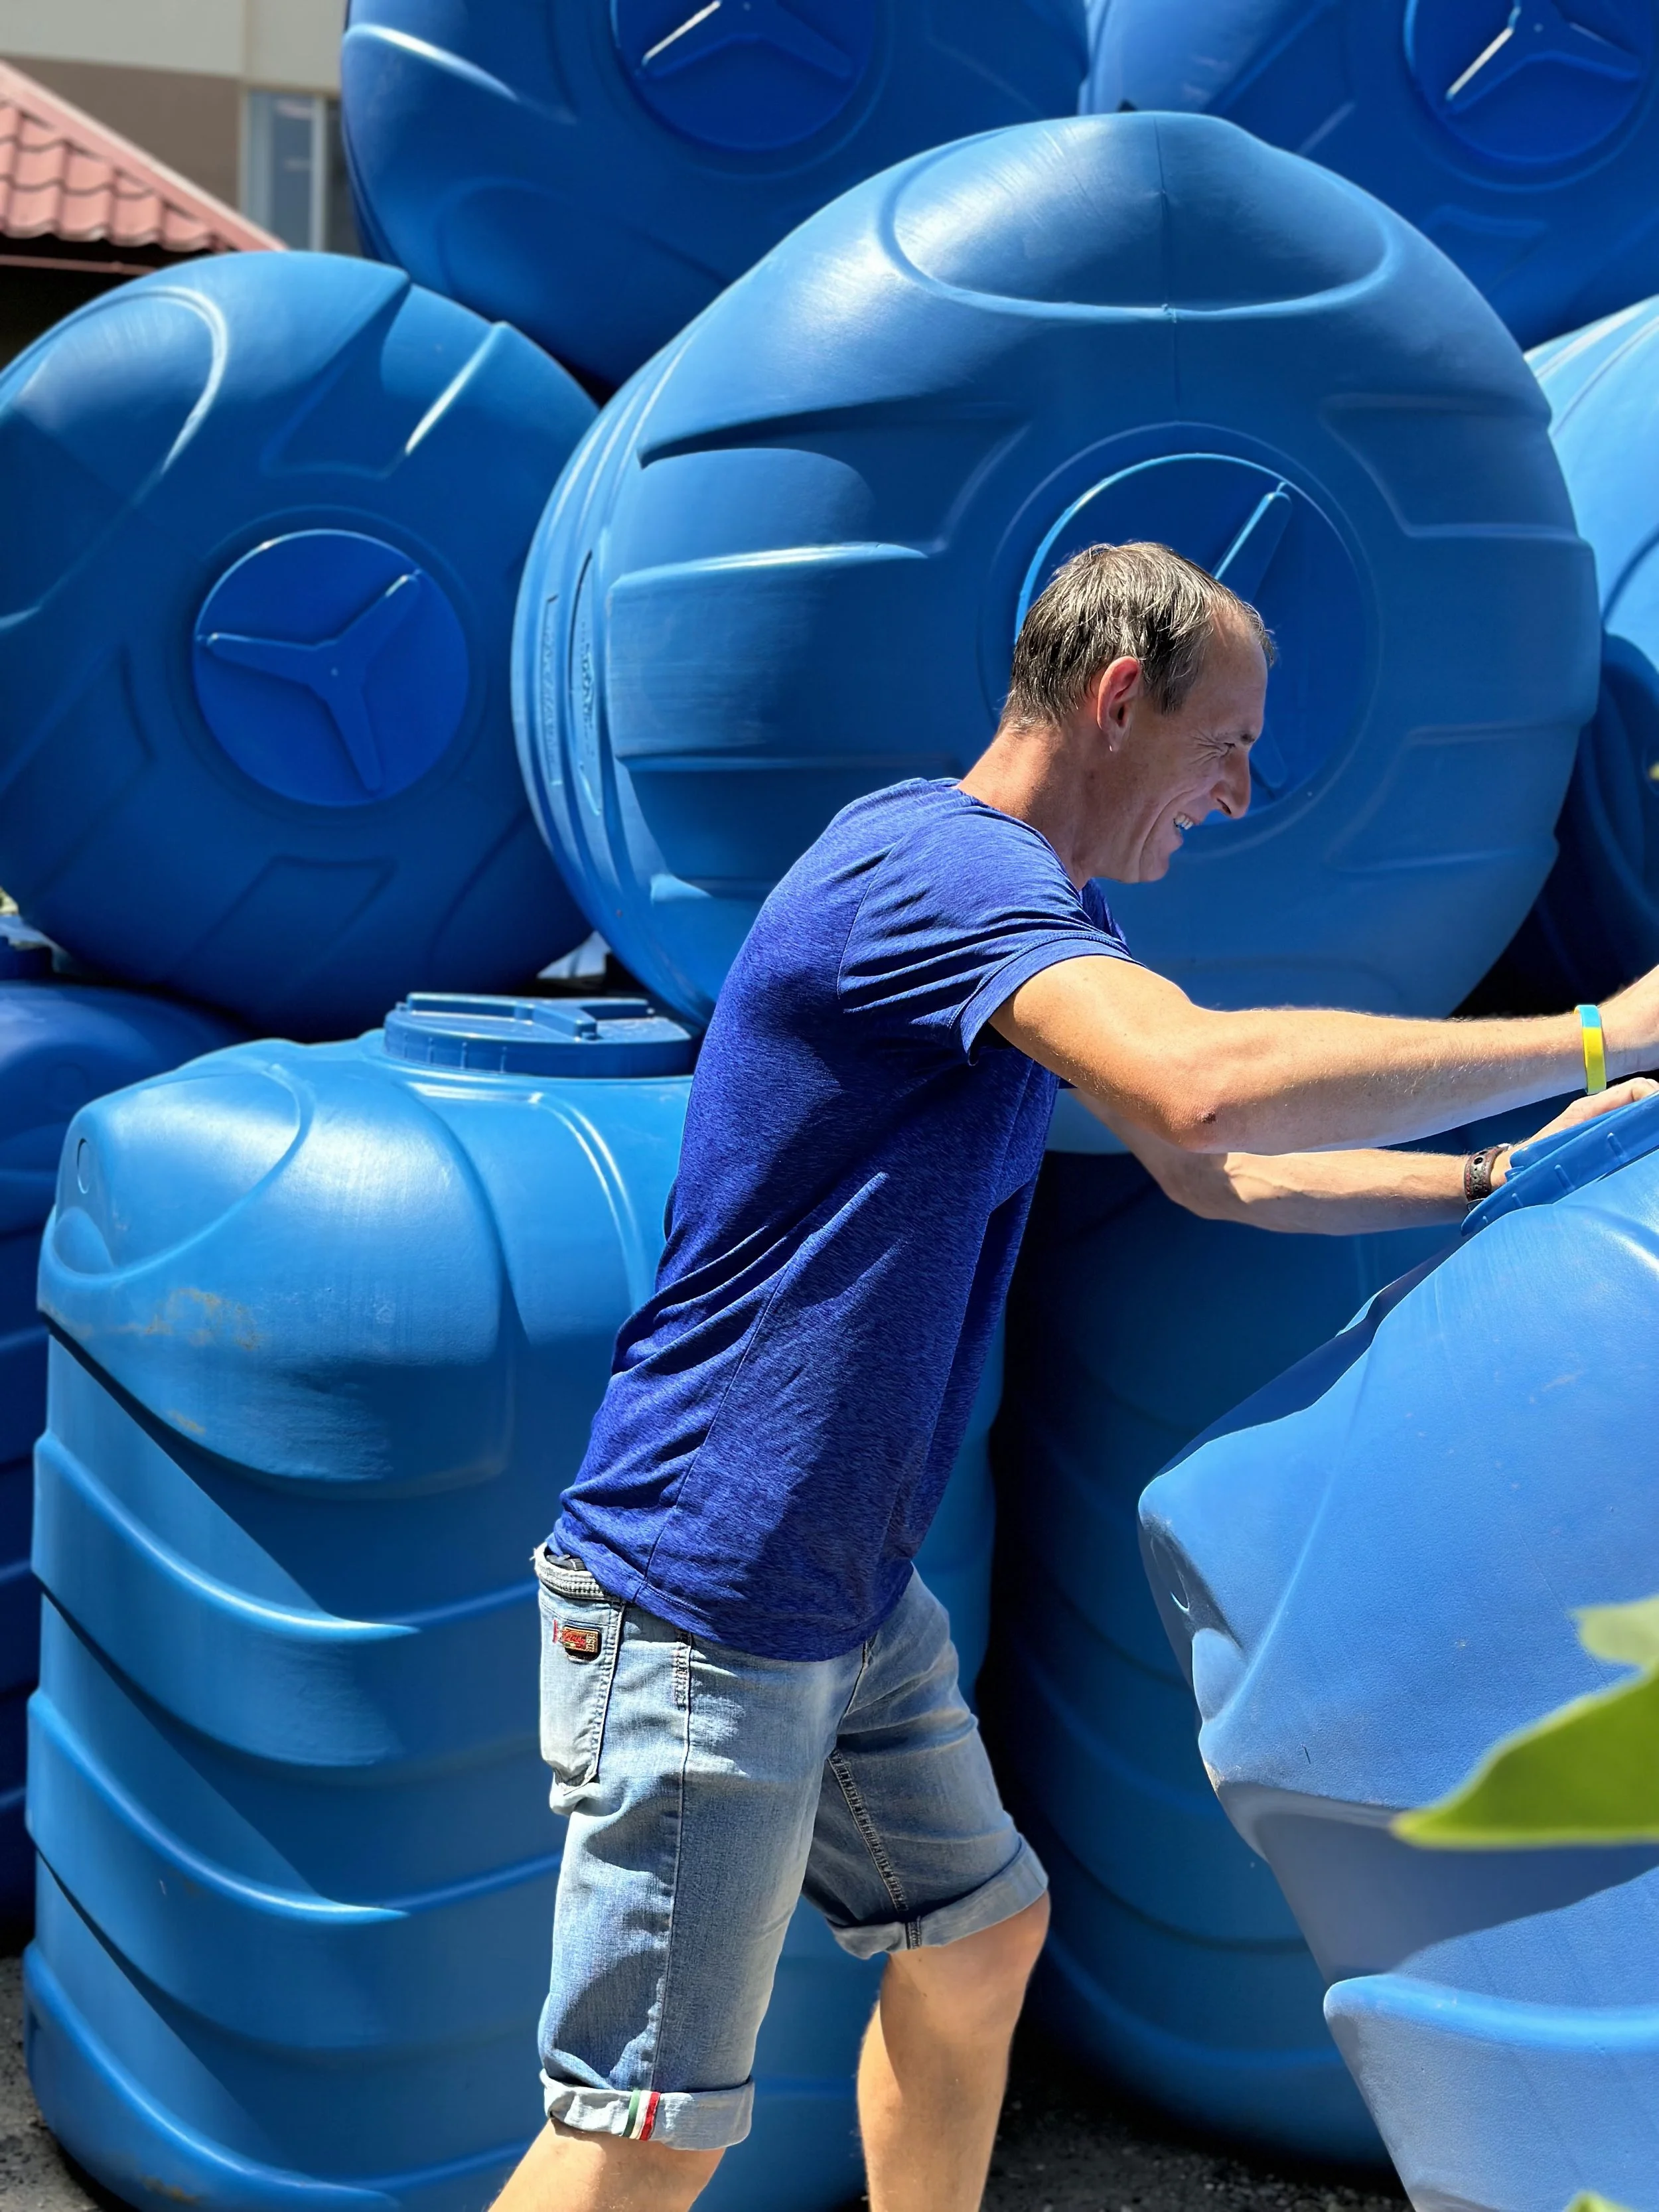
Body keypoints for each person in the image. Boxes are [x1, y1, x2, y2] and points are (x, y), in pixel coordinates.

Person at [496, 542, 1658, 2212]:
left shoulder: (1042, 910)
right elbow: (1197, 1091)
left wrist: (1490, 1175)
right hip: (711, 1590)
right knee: (646, 2129)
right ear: (1119, 698)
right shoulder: (928, 875)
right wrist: (1600, 1033)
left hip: (844, 1583)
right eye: (1226, 741)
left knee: (978, 1943)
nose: (1241, 791)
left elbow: (1213, 1174)